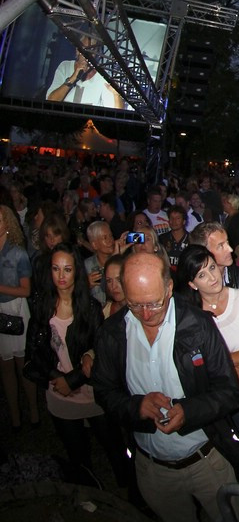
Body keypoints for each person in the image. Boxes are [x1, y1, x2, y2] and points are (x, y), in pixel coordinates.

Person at [92, 251, 239, 522]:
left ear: (169, 288)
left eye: (154, 304)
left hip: (207, 462)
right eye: (135, 305)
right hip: (153, 470)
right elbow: (104, 392)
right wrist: (136, 406)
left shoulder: (199, 324)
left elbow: (230, 390)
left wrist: (188, 412)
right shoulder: (112, 333)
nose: (145, 314)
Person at [24, 243, 130, 490]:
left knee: (116, 452)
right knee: (78, 460)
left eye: (67, 269)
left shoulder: (90, 309)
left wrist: (71, 380)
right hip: (60, 396)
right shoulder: (42, 306)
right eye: (56, 269)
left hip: (93, 395)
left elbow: (99, 353)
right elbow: (35, 354)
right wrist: (56, 378)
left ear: (76, 272)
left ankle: (133, 499)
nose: (61, 276)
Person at [176, 244, 239, 478]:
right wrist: (230, 363)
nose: (212, 277)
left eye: (212, 268)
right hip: (209, 398)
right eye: (202, 274)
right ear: (191, 283)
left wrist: (219, 362)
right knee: (230, 459)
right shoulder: (187, 314)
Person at [0, 204, 37, 430]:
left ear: (7, 224)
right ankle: (14, 414)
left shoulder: (17, 252)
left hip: (15, 310)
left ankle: (33, 410)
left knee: (23, 365)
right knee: (5, 367)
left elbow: (26, 290)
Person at [101, 253, 128, 318]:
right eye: (109, 281)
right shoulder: (104, 311)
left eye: (119, 280)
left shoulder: (141, 311)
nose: (113, 286)